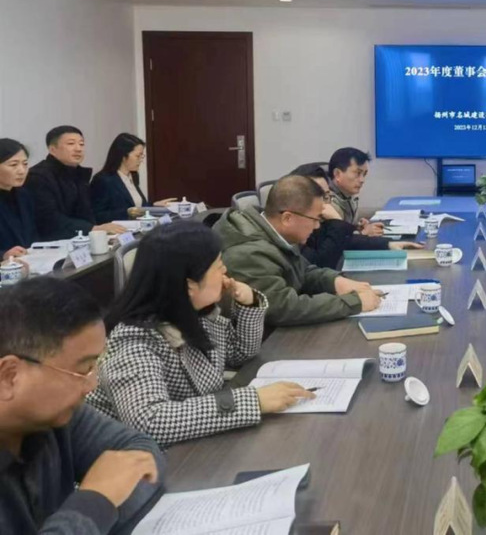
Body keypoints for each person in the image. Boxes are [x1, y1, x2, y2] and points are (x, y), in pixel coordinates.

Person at [88, 223, 312, 447]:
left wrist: (249, 304)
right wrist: (253, 401)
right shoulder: (134, 339)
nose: (225, 272)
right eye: (218, 266)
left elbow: (239, 353)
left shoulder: (194, 313)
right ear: (189, 285)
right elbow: (150, 421)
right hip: (132, 456)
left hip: (187, 444)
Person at [0, 277, 165, 535]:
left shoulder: (57, 417)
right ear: (10, 376)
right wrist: (96, 501)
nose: (92, 385)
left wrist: (98, 512)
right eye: (83, 370)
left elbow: (141, 453)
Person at [214, 174, 381, 326]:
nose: (317, 226)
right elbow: (281, 308)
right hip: (265, 341)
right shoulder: (249, 253)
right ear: (287, 218)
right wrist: (353, 303)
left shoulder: (273, 232)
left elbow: (302, 270)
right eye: (315, 219)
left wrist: (335, 282)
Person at [290, 163, 422, 270]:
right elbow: (322, 264)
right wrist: (336, 220)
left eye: (326, 196)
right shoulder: (294, 232)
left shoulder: (316, 218)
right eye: (318, 196)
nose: (324, 203)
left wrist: (388, 244)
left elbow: (346, 241)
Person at [25, 126, 126, 241]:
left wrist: (99, 232)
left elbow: (86, 213)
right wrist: (92, 228)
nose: (78, 149)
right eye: (71, 144)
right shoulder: (38, 176)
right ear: (53, 149)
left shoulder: (78, 174)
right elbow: (49, 218)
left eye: (81, 144)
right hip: (51, 242)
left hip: (80, 239)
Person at [90, 133, 176, 224]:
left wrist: (153, 205)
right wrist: (130, 213)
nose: (141, 160)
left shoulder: (133, 176)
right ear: (123, 156)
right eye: (138, 156)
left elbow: (137, 205)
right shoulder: (103, 180)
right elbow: (97, 216)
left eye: (142, 156)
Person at [327, 147, 384, 236]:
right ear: (337, 174)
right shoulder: (327, 202)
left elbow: (345, 230)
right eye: (357, 173)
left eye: (364, 174)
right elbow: (335, 239)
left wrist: (357, 227)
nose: (362, 180)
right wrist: (363, 234)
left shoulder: (348, 196)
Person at [0, 138, 37, 263]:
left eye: (25, 164)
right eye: (13, 165)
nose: (22, 171)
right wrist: (3, 255)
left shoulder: (24, 195)